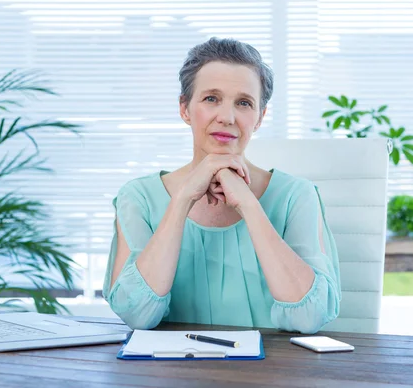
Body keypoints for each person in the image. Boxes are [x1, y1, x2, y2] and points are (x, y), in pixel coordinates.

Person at [102, 37, 341, 334]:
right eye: (211, 98)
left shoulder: (297, 196)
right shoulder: (138, 198)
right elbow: (136, 314)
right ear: (185, 109)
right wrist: (183, 199)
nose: (227, 117)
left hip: (271, 374)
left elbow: (309, 317)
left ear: (259, 118)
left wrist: (249, 205)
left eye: (244, 103)